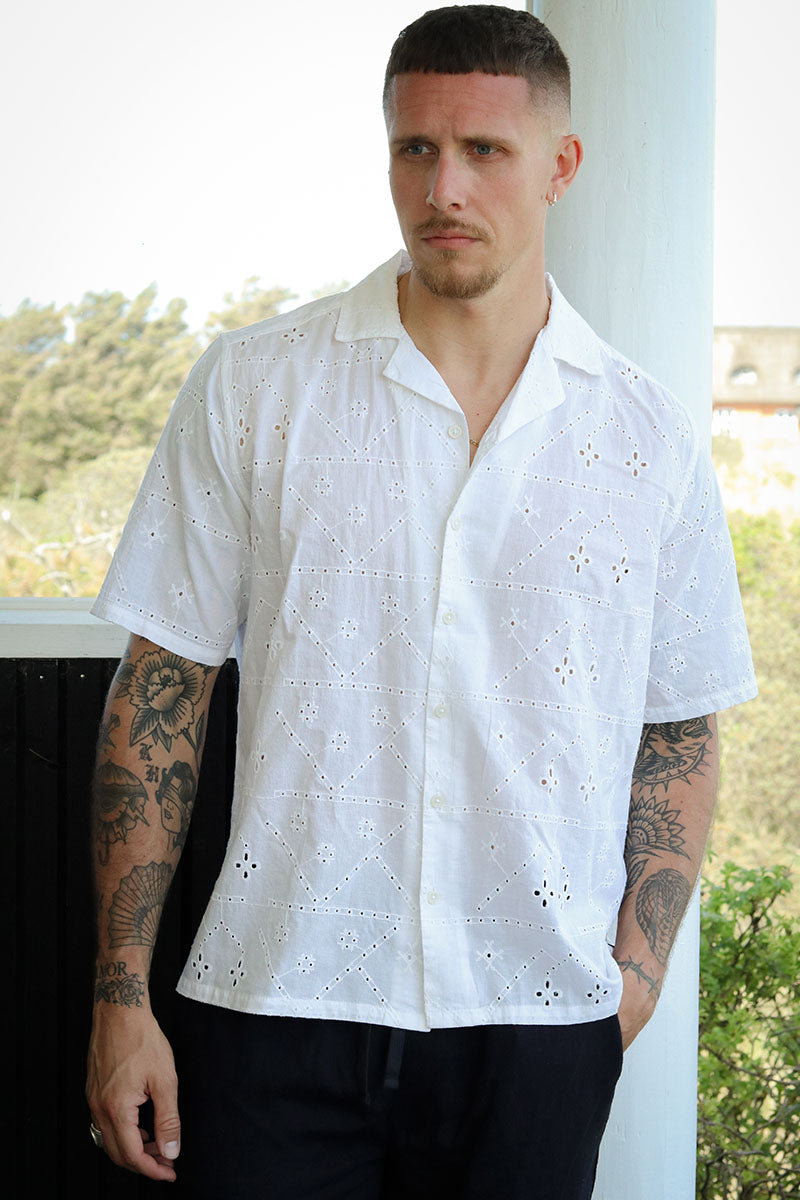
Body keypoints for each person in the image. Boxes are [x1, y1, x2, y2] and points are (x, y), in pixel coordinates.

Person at [85, 6, 757, 1198]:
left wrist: (633, 982)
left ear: (559, 165)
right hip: (273, 1004)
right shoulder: (255, 386)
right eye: (415, 149)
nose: (443, 187)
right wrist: (120, 998)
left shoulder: (646, 436)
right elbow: (161, 685)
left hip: (536, 1031)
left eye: (484, 151)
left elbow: (677, 727)